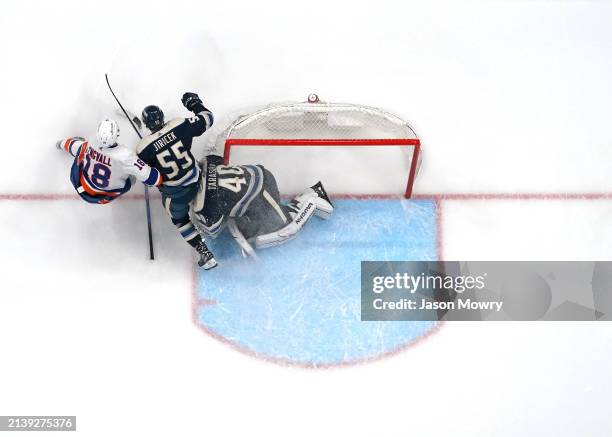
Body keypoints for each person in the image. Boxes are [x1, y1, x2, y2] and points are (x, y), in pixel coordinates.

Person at [136, 92, 217, 269]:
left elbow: (148, 179)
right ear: (162, 116)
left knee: (180, 220)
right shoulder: (179, 124)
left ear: (146, 124)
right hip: (198, 179)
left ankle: (204, 253)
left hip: (177, 195)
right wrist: (193, 103)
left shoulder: (143, 148)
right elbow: (208, 118)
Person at [56, 118, 162, 205]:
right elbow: (155, 180)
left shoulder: (91, 142)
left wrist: (60, 144)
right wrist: (144, 166)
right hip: (103, 197)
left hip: (80, 185)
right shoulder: (126, 156)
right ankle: (135, 172)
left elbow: (72, 145)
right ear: (117, 134)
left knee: (82, 151)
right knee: (132, 178)